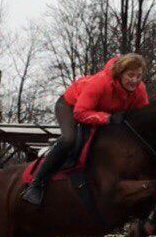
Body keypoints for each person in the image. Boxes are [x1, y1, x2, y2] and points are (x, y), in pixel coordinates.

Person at [22, 53, 149, 206]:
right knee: (70, 139)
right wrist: (107, 118)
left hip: (100, 112)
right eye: (130, 75)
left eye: (138, 76)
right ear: (120, 73)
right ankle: (36, 184)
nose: (135, 81)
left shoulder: (140, 90)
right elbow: (80, 113)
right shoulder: (101, 82)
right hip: (70, 106)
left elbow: (143, 118)